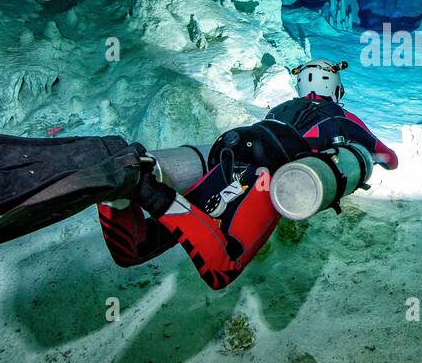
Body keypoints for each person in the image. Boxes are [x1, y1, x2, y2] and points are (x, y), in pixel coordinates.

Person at [96, 59, 398, 289]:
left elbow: (269, 133)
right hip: (271, 170)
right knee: (223, 266)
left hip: (236, 144)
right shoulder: (341, 114)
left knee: (135, 250)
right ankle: (153, 194)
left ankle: (115, 192)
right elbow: (389, 157)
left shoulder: (282, 107)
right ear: (335, 88)